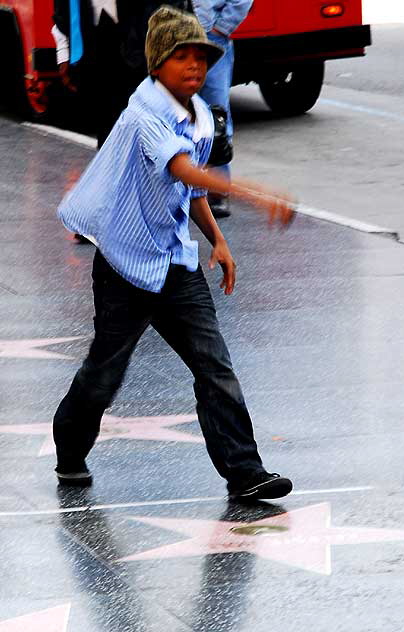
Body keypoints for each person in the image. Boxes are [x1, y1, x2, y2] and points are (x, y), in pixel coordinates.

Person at [52, 6, 294, 502]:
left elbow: (190, 192)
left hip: (174, 262)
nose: (195, 67)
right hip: (125, 265)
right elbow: (184, 170)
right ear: (157, 63)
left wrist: (218, 240)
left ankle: (245, 472)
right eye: (182, 57)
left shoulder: (199, 114)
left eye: (202, 59)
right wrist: (255, 192)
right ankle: (70, 451)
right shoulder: (143, 113)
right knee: (104, 375)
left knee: (214, 365)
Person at [196, 0, 254, 218]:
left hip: (213, 37)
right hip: (179, 32)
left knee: (216, 114)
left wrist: (222, 27)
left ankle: (217, 191)